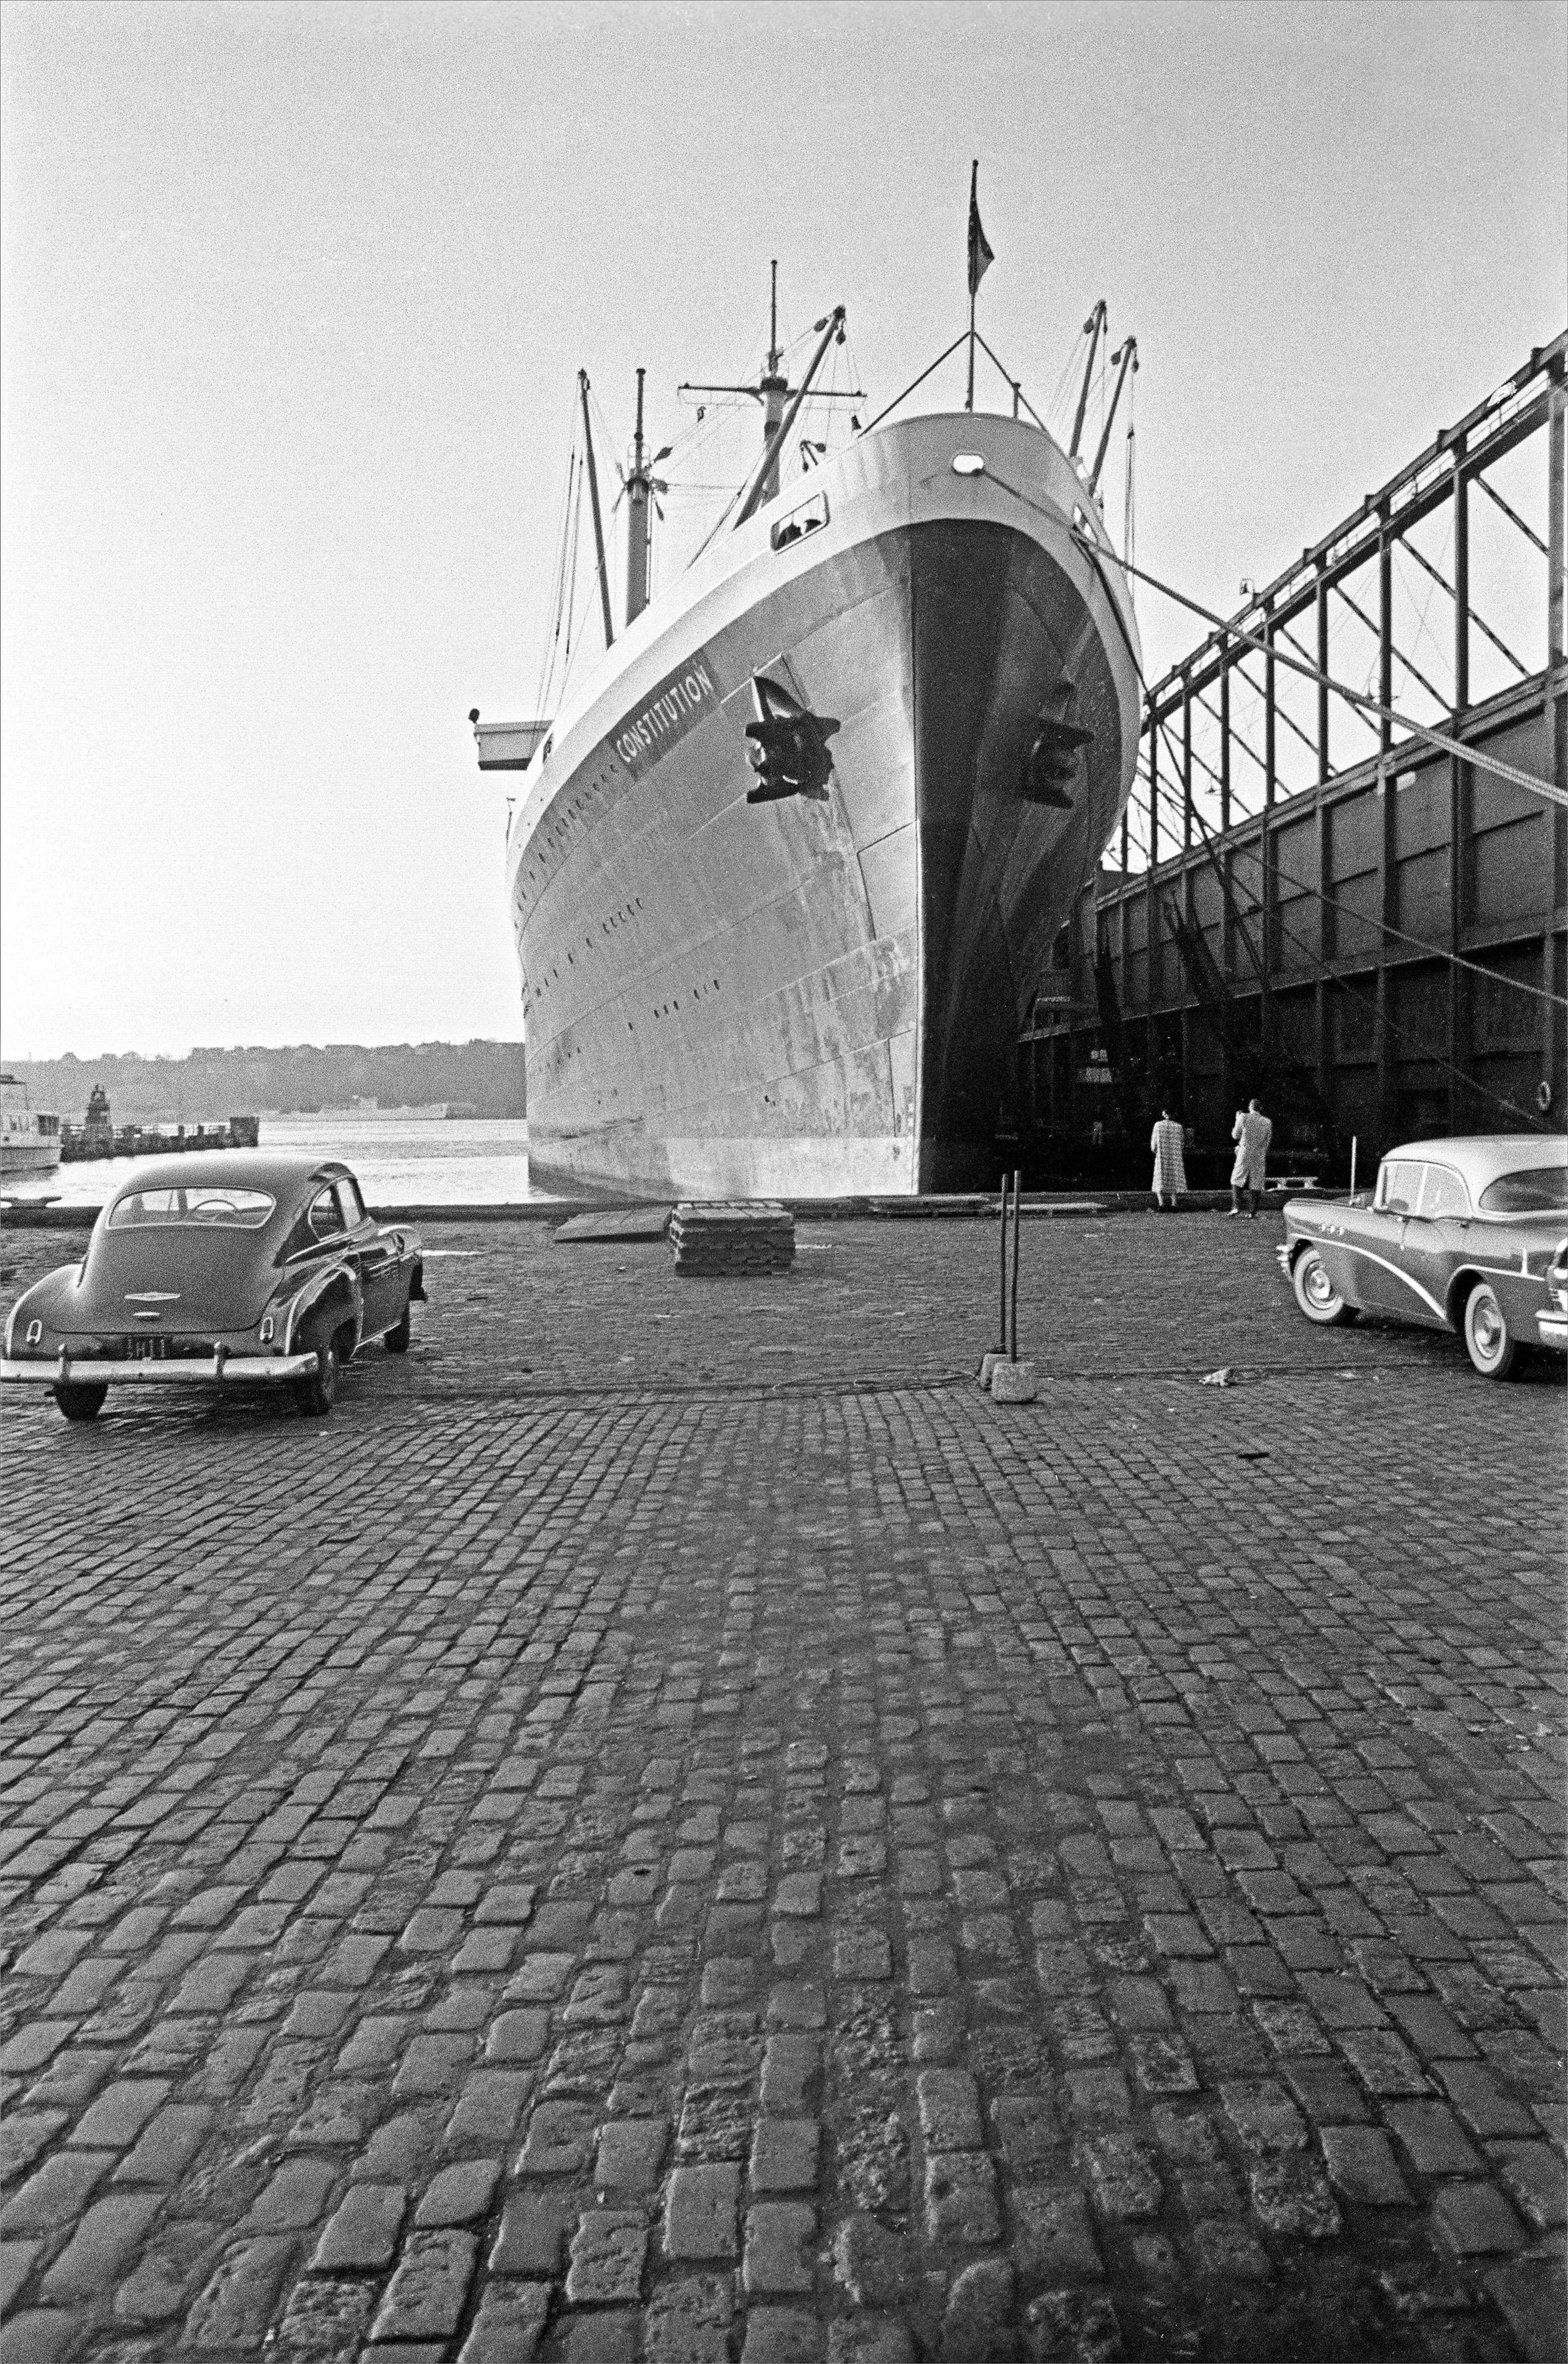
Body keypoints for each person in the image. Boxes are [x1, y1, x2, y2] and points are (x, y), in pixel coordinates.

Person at [1230, 1097, 1272, 1218]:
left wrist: (1237, 1120)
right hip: (1259, 1153)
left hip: (1245, 1151)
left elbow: (1235, 1135)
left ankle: (1236, 1207)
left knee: (1237, 1178)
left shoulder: (1243, 1117)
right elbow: (1267, 1141)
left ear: (1250, 1107)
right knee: (1257, 1181)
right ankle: (1252, 1212)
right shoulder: (1267, 1122)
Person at [1150, 1108, 1186, 1210]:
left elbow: (1154, 1144)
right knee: (1174, 1178)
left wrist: (1155, 1150)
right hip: (1175, 1155)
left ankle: (1161, 1204)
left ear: (1164, 1114)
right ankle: (1174, 1204)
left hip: (1162, 1155)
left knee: (1160, 1178)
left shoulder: (1158, 1125)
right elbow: (1182, 1143)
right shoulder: (1178, 1127)